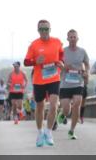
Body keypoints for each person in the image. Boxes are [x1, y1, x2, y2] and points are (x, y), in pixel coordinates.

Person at [24, 19, 63, 147]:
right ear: (38, 30)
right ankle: (40, 132)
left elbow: (61, 54)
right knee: (40, 107)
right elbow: (26, 62)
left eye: (46, 29)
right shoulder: (34, 45)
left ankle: (49, 132)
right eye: (41, 29)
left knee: (53, 106)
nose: (44, 32)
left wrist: (61, 62)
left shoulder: (57, 42)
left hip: (54, 78)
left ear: (50, 30)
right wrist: (36, 61)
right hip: (39, 80)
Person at [57, 30, 89, 140]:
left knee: (77, 104)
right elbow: (58, 63)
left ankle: (72, 131)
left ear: (77, 38)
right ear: (67, 39)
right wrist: (64, 67)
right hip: (65, 83)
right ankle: (62, 113)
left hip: (78, 82)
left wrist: (86, 72)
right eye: (70, 37)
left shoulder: (82, 51)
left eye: (74, 37)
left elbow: (87, 64)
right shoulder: (62, 51)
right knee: (67, 109)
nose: (72, 39)